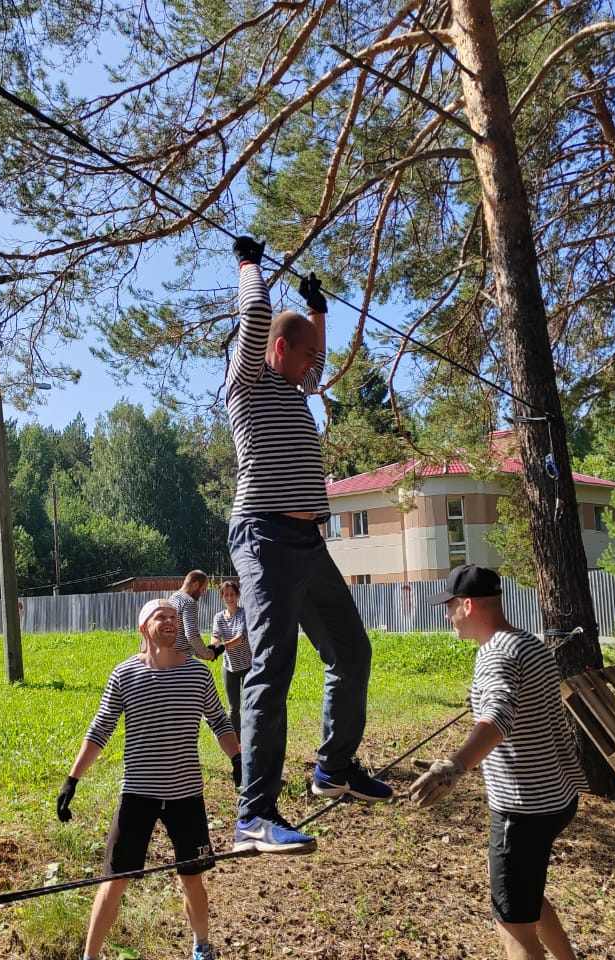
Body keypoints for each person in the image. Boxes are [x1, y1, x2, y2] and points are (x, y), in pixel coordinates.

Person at [225, 236, 391, 857]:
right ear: (276, 349)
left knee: (352, 650)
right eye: (303, 356)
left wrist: (318, 309)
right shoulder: (247, 382)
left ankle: (333, 770)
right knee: (273, 665)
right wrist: (250, 266)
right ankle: (254, 814)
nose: (311, 370)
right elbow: (256, 316)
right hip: (263, 535)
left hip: (308, 540)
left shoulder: (296, 388)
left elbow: (316, 360)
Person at [409, 564, 587, 960]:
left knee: (511, 923)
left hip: (523, 808)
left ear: (467, 605)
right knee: (524, 892)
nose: (446, 615)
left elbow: (498, 719)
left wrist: (453, 767)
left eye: (449, 606)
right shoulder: (528, 643)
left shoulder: (494, 655)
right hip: (558, 797)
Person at [57, 598, 241, 960]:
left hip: (186, 794)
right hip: (137, 794)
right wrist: (72, 779)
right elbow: (100, 730)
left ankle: (202, 947)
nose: (171, 621)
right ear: (144, 627)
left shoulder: (198, 674)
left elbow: (219, 721)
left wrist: (237, 759)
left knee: (191, 878)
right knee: (114, 880)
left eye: (175, 617)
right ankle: (90, 957)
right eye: (162, 617)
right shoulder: (124, 674)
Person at [210, 579, 250, 736]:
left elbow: (241, 637)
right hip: (229, 667)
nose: (229, 598)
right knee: (233, 708)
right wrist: (213, 648)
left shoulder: (243, 614)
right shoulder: (218, 617)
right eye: (226, 595)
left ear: (238, 596)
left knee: (249, 705)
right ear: (222, 597)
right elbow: (215, 636)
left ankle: (251, 738)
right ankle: (237, 742)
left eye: (232, 594)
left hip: (248, 665)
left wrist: (222, 647)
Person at [168, 570, 224, 661]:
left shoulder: (172, 599)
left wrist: (204, 652)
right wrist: (209, 654)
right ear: (196, 585)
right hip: (181, 661)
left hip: (169, 656)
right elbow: (191, 635)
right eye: (203, 589)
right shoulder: (189, 602)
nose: (203, 594)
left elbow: (183, 638)